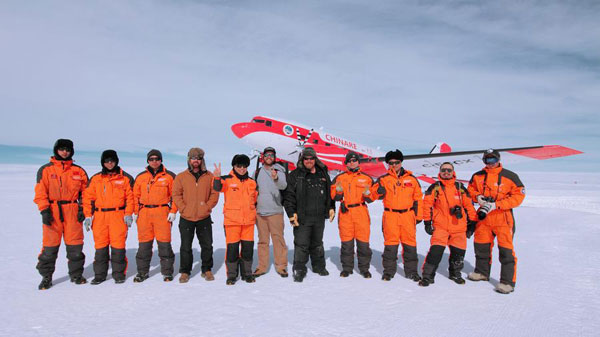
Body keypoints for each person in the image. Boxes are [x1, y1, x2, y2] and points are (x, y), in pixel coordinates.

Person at [467, 149, 525, 294]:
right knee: (481, 247)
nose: (490, 163)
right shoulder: (477, 176)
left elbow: (518, 196)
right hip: (483, 218)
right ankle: (481, 273)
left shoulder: (510, 176)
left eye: (493, 160)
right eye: (487, 160)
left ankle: (507, 282)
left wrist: (497, 204)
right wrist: (478, 197)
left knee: (506, 251)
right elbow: (470, 190)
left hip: (503, 218)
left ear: (498, 160)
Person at [34, 139, 89, 290]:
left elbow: (86, 192)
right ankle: (46, 277)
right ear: (56, 150)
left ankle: (76, 274)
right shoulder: (46, 170)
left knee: (75, 245)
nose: (65, 152)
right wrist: (44, 210)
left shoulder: (79, 171)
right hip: (53, 211)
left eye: (68, 149)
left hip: (72, 210)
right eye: (62, 149)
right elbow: (40, 192)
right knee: (50, 247)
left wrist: (82, 208)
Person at [419, 162, 478, 287]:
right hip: (440, 227)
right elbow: (427, 205)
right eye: (444, 170)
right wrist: (427, 222)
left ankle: (455, 274)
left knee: (458, 254)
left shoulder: (460, 187)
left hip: (459, 228)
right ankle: (428, 276)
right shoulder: (435, 187)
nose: (446, 172)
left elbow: (469, 206)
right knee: (435, 253)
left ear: (453, 172)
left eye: (449, 170)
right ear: (440, 172)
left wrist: (472, 224)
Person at [283, 148, 335, 282]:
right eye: (306, 159)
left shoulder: (323, 173)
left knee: (317, 243)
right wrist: (291, 213)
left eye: (311, 158)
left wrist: (331, 207)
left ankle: (319, 266)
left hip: (319, 217)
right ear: (302, 160)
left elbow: (330, 193)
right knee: (301, 244)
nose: (309, 161)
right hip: (302, 217)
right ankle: (299, 269)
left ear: (315, 159)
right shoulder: (295, 175)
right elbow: (289, 196)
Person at [370, 149, 423, 282]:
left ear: (401, 163)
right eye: (391, 163)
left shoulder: (412, 179)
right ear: (388, 164)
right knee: (390, 244)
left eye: (396, 162)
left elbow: (418, 199)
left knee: (410, 244)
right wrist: (377, 190)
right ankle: (389, 271)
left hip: (408, 215)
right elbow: (370, 196)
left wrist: (419, 216)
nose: (394, 165)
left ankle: (411, 272)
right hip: (390, 216)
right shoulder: (383, 179)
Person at [82, 150, 134, 285]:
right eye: (107, 161)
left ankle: (118, 274)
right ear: (103, 163)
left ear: (116, 161)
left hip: (118, 216)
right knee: (100, 247)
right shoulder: (96, 179)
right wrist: (88, 216)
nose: (109, 163)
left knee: (118, 246)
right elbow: (87, 198)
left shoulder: (124, 178)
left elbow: (130, 198)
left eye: (112, 160)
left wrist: (128, 213)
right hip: (99, 217)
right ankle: (99, 275)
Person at [172, 148, 219, 283]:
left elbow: (215, 193)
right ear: (189, 160)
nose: (196, 161)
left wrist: (207, 207)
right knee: (185, 246)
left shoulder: (209, 176)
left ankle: (207, 269)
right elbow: (176, 194)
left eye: (198, 158)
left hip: (204, 217)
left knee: (207, 245)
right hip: (187, 217)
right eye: (193, 158)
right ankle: (185, 271)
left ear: (202, 160)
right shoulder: (181, 176)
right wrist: (183, 208)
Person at [132, 149, 177, 283]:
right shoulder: (141, 177)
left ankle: (167, 272)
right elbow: (135, 196)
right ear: (148, 161)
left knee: (164, 244)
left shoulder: (169, 176)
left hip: (162, 213)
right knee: (144, 246)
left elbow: (175, 196)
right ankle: (142, 272)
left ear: (161, 160)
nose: (154, 161)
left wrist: (173, 211)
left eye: (157, 159)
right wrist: (135, 212)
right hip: (144, 213)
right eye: (151, 159)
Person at [213, 154, 258, 285]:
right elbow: (217, 188)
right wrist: (216, 176)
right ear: (234, 166)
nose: (242, 169)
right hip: (232, 222)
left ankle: (247, 274)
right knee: (232, 250)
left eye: (244, 166)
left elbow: (254, 200)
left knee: (247, 249)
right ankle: (232, 276)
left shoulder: (252, 182)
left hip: (248, 222)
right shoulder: (226, 180)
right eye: (239, 166)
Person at [330, 152, 374, 278]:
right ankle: (347, 268)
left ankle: (364, 269)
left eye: (354, 160)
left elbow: (372, 197)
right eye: (349, 161)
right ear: (346, 163)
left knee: (363, 243)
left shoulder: (367, 178)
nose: (352, 163)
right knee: (346, 243)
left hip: (361, 212)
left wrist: (368, 195)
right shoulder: (340, 178)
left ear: (358, 162)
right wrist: (338, 193)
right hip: (346, 213)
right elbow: (333, 195)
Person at [252, 147, 289, 278]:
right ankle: (262, 267)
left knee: (278, 240)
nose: (269, 157)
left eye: (271, 155)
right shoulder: (257, 172)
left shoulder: (280, 170)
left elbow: (283, 185)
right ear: (263, 157)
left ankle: (281, 266)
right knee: (262, 241)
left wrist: (276, 178)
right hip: (260, 212)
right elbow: (252, 189)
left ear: (274, 157)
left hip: (275, 211)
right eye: (266, 155)